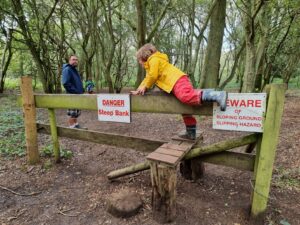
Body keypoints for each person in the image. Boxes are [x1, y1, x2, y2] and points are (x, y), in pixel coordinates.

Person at [131, 43, 227, 140]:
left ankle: (217, 95)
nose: (139, 63)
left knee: (185, 97)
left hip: (177, 80)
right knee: (184, 108)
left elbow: (152, 76)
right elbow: (148, 77)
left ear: (144, 56)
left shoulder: (154, 59)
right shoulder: (152, 64)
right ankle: (191, 132)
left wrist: (145, 86)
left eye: (139, 60)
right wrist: (139, 89)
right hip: (174, 84)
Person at [62, 55, 86, 129]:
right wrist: (76, 91)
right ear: (69, 61)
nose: (75, 61)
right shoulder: (67, 69)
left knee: (76, 112)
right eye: (73, 59)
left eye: (76, 60)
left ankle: (76, 124)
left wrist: (82, 90)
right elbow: (66, 83)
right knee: (72, 113)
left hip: (77, 95)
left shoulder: (74, 70)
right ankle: (72, 127)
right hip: (72, 95)